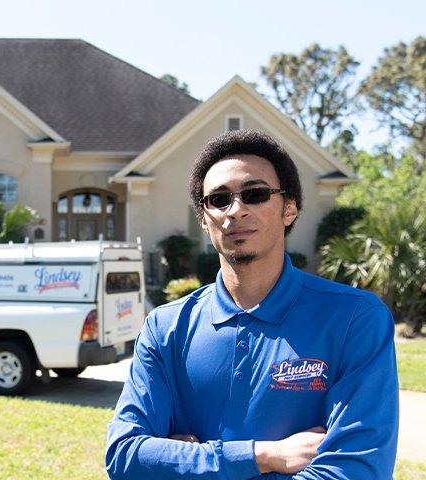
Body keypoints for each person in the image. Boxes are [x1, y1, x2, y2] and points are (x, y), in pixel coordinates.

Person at [106, 129, 398, 479]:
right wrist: (264, 456)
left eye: (256, 194)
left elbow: (355, 470)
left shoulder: (355, 318)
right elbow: (125, 457)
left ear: (289, 209)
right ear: (203, 218)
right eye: (218, 199)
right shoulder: (165, 327)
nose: (236, 210)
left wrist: (187, 460)